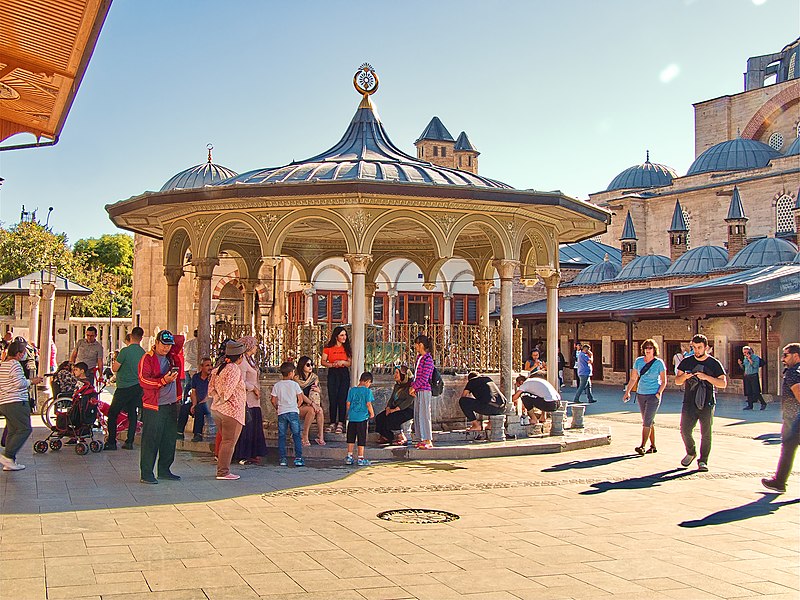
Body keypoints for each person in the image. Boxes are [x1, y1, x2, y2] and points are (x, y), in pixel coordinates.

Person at [675, 334, 727, 472]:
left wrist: (706, 377)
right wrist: (684, 377)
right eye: (694, 347)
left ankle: (703, 461)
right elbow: (677, 380)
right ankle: (691, 452)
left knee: (706, 432)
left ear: (706, 347)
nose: (697, 350)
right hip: (689, 402)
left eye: (699, 347)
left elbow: (723, 383)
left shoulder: (714, 363)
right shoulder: (686, 362)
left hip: (707, 402)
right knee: (685, 430)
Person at [137, 330, 182, 484]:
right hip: (154, 405)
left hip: (170, 404)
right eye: (163, 344)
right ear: (156, 343)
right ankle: (147, 472)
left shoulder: (171, 358)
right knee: (151, 439)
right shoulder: (147, 358)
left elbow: (180, 339)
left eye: (169, 345)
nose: (166, 348)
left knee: (169, 439)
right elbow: (143, 380)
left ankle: (164, 469)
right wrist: (163, 381)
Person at [0, 338, 43, 472]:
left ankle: (10, 461)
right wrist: (32, 381)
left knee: (13, 430)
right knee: (25, 429)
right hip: (16, 401)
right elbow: (19, 383)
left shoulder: (3, 364)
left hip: (5, 402)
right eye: (24, 352)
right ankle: (7, 455)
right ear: (18, 354)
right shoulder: (15, 365)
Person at [762, 343, 800, 493]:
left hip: (795, 420)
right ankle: (779, 481)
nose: (782, 359)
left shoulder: (793, 372)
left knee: (788, 449)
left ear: (796, 356)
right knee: (788, 450)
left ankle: (779, 482)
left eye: (786, 355)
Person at [209, 341, 246, 480]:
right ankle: (223, 472)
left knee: (225, 440)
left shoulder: (218, 368)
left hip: (217, 410)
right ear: (240, 356)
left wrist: (218, 401)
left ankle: (222, 470)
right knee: (228, 441)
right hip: (232, 411)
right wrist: (223, 400)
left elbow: (210, 390)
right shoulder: (234, 369)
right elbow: (227, 391)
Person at [622, 339, 667, 455]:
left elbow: (664, 381)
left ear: (654, 350)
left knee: (646, 421)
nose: (648, 350)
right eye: (646, 348)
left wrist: (658, 393)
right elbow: (633, 378)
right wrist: (628, 391)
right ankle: (653, 446)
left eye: (650, 348)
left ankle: (642, 446)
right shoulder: (638, 361)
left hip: (653, 395)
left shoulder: (659, 363)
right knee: (648, 420)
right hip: (641, 394)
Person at [105, 326, 145, 450]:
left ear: (131, 336)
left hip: (124, 387)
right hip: (137, 387)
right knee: (132, 413)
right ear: (141, 338)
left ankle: (111, 441)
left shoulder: (125, 352)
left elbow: (115, 368)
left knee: (112, 413)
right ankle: (129, 441)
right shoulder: (143, 353)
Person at [232, 336, 267, 465]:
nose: (256, 348)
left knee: (254, 426)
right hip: (247, 397)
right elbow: (240, 380)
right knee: (247, 426)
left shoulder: (251, 360)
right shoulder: (242, 362)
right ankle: (243, 454)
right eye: (255, 345)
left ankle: (253, 452)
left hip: (254, 400)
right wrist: (253, 388)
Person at [271, 361, 305, 467]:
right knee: (296, 435)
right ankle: (298, 458)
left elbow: (273, 400)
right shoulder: (295, 385)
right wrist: (296, 406)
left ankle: (282, 459)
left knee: (282, 436)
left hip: (282, 412)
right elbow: (300, 398)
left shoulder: (277, 385)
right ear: (291, 373)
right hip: (293, 411)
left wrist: (277, 407)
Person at [321, 326, 351, 435]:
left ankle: (341, 422)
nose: (344, 337)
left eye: (345, 335)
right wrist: (332, 364)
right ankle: (332, 422)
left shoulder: (347, 348)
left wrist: (342, 362)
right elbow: (323, 361)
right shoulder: (328, 348)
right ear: (336, 336)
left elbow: (349, 362)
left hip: (343, 372)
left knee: (342, 397)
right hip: (333, 372)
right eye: (341, 335)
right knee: (332, 397)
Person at [374, 365, 414, 445]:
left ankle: (401, 437)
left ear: (403, 375)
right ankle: (387, 437)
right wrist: (388, 407)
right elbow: (392, 398)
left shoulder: (410, 387)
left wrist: (395, 410)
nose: (395, 375)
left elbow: (408, 402)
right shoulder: (397, 386)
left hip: (406, 409)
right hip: (395, 408)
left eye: (397, 373)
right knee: (380, 418)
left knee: (392, 418)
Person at [410, 334, 435, 449]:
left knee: (425, 415)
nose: (415, 346)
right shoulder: (419, 358)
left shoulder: (428, 359)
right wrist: (413, 386)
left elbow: (424, 377)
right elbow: (416, 375)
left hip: (424, 389)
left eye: (416, 344)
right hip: (418, 389)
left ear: (421, 345)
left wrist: (414, 386)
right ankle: (422, 438)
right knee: (418, 414)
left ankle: (428, 439)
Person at [345, 372, 375, 466]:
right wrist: (372, 413)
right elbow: (368, 404)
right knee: (361, 438)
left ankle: (349, 457)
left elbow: (348, 403)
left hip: (352, 418)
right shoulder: (367, 391)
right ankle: (360, 458)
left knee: (351, 438)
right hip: (362, 418)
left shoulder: (352, 390)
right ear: (367, 381)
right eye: (369, 383)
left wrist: (349, 413)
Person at [295, 356, 325, 446]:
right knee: (311, 410)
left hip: (312, 403)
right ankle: (305, 435)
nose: (310, 366)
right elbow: (301, 395)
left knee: (319, 411)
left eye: (312, 364)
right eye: (308, 365)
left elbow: (319, 391)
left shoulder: (314, 377)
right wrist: (312, 404)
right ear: (302, 366)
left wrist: (318, 390)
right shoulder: (296, 379)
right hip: (299, 404)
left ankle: (321, 436)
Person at [185, 357, 213, 442]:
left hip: (209, 403)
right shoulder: (196, 377)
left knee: (199, 408)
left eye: (211, 365)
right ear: (202, 367)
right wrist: (194, 404)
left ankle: (198, 434)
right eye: (207, 365)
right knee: (184, 408)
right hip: (198, 402)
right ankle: (179, 433)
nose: (210, 367)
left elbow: (211, 394)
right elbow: (194, 392)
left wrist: (199, 404)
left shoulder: (212, 377)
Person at [738, 346, 766, 410]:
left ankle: (763, 403)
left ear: (750, 351)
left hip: (753, 375)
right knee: (748, 391)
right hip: (747, 376)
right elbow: (744, 368)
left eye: (746, 352)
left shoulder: (755, 357)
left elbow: (755, 366)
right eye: (744, 352)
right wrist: (740, 364)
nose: (745, 354)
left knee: (756, 391)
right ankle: (750, 406)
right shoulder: (745, 358)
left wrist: (750, 359)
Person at [182, 329, 198, 402]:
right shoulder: (199, 343)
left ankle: (184, 399)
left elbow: (185, 354)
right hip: (194, 366)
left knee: (187, 385)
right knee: (194, 385)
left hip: (187, 366)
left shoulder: (188, 343)